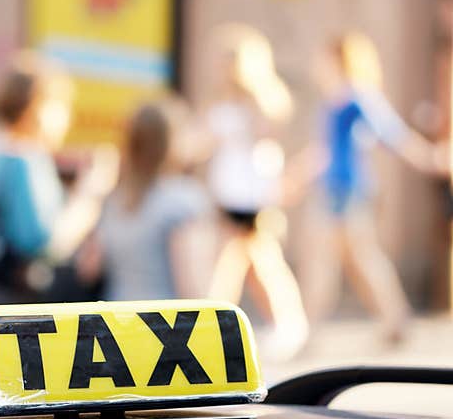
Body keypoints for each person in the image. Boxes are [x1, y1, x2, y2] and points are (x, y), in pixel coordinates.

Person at [294, 32, 446, 343]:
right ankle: (393, 321)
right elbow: (324, 151)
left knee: (330, 260)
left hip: (346, 192)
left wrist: (429, 159)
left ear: (339, 60)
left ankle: (309, 331)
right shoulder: (335, 101)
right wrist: (296, 177)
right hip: (336, 190)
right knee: (357, 259)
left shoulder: (357, 98)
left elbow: (392, 135)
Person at [0, 52, 117, 313]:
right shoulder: (25, 159)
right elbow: (45, 243)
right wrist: (90, 195)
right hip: (14, 309)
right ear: (37, 106)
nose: (67, 119)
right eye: (62, 107)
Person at [201, 24, 310, 361]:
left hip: (251, 194)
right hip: (228, 192)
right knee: (249, 262)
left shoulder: (260, 100)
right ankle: (221, 325)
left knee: (246, 260)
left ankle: (214, 325)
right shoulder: (219, 99)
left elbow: (268, 131)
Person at [77, 96, 215, 301]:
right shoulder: (185, 201)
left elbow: (88, 269)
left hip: (115, 322)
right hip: (164, 326)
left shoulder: (114, 199)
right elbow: (195, 293)